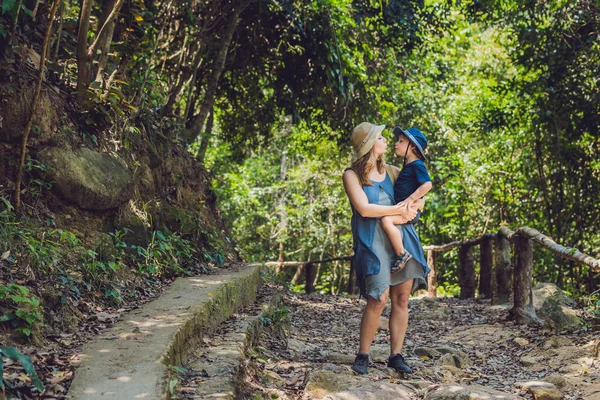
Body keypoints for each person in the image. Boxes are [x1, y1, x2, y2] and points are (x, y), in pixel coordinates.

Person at [342, 122, 430, 376]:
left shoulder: (393, 171)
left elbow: (420, 193)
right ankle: (363, 355)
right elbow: (365, 209)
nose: (385, 141)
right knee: (377, 299)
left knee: (401, 298)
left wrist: (415, 204)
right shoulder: (352, 175)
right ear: (369, 145)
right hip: (372, 240)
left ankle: (396, 355)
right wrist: (398, 210)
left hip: (400, 236)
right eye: (380, 137)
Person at [381, 127, 432, 273]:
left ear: (413, 147)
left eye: (401, 142)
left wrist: (411, 199)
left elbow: (427, 184)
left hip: (409, 211)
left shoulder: (417, 165)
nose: (397, 144)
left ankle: (401, 254)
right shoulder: (407, 166)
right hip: (405, 208)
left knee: (386, 220)